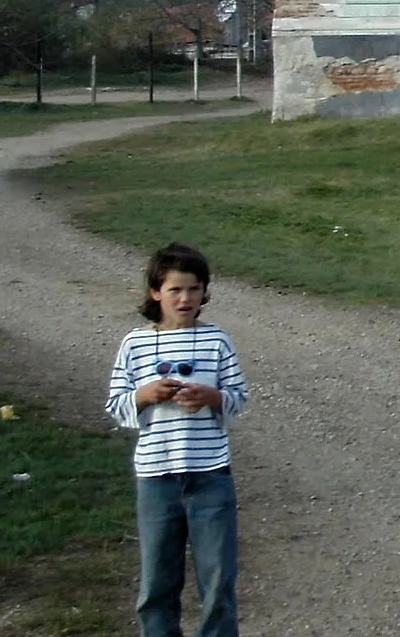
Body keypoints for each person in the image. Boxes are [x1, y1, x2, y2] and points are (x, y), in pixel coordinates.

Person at [105, 242, 248, 637]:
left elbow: (238, 400)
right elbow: (117, 406)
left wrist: (212, 397)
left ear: (204, 292)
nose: (185, 299)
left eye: (194, 289)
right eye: (175, 290)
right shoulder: (135, 343)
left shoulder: (217, 340)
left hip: (210, 476)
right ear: (156, 292)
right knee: (157, 583)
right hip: (156, 479)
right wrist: (146, 395)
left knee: (218, 581)